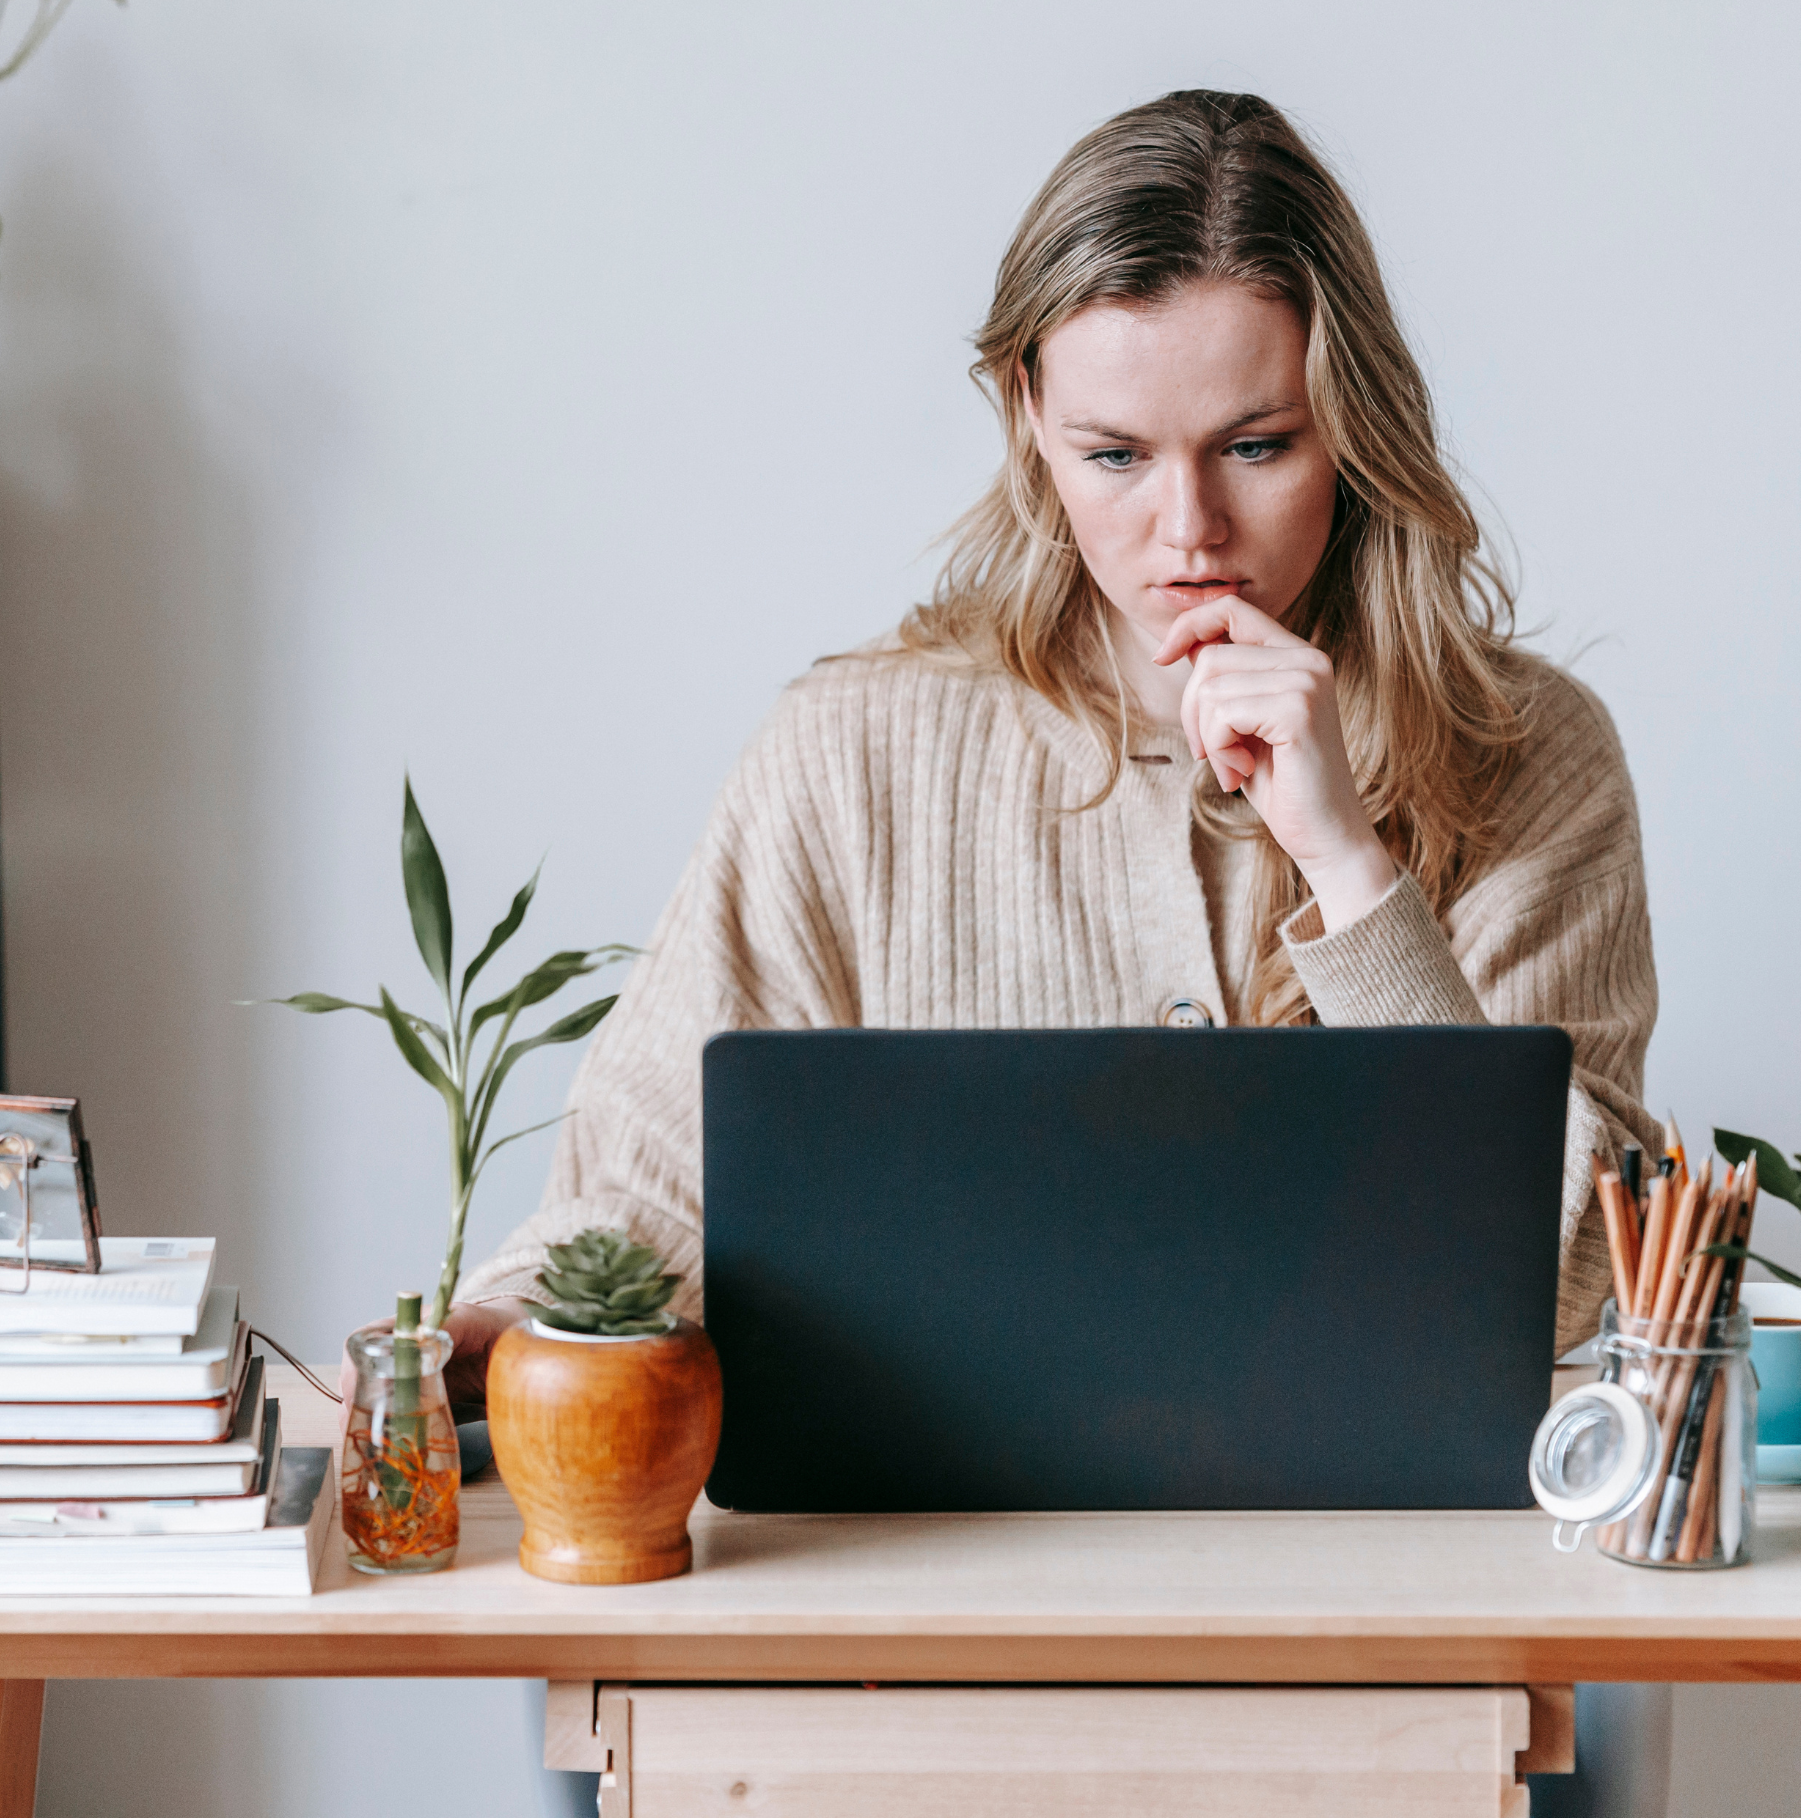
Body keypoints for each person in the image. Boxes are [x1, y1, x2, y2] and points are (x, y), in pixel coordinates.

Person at [470, 86, 1668, 1818]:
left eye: (1255, 446)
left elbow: (1590, 1287)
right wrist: (452, 1357)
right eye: (1113, 455)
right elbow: (644, 1189)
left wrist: (1345, 861)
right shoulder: (854, 751)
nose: (1183, 531)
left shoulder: (1530, 757)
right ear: (1026, 414)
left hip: (1389, 1626)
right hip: (914, 1615)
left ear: (1359, 427)